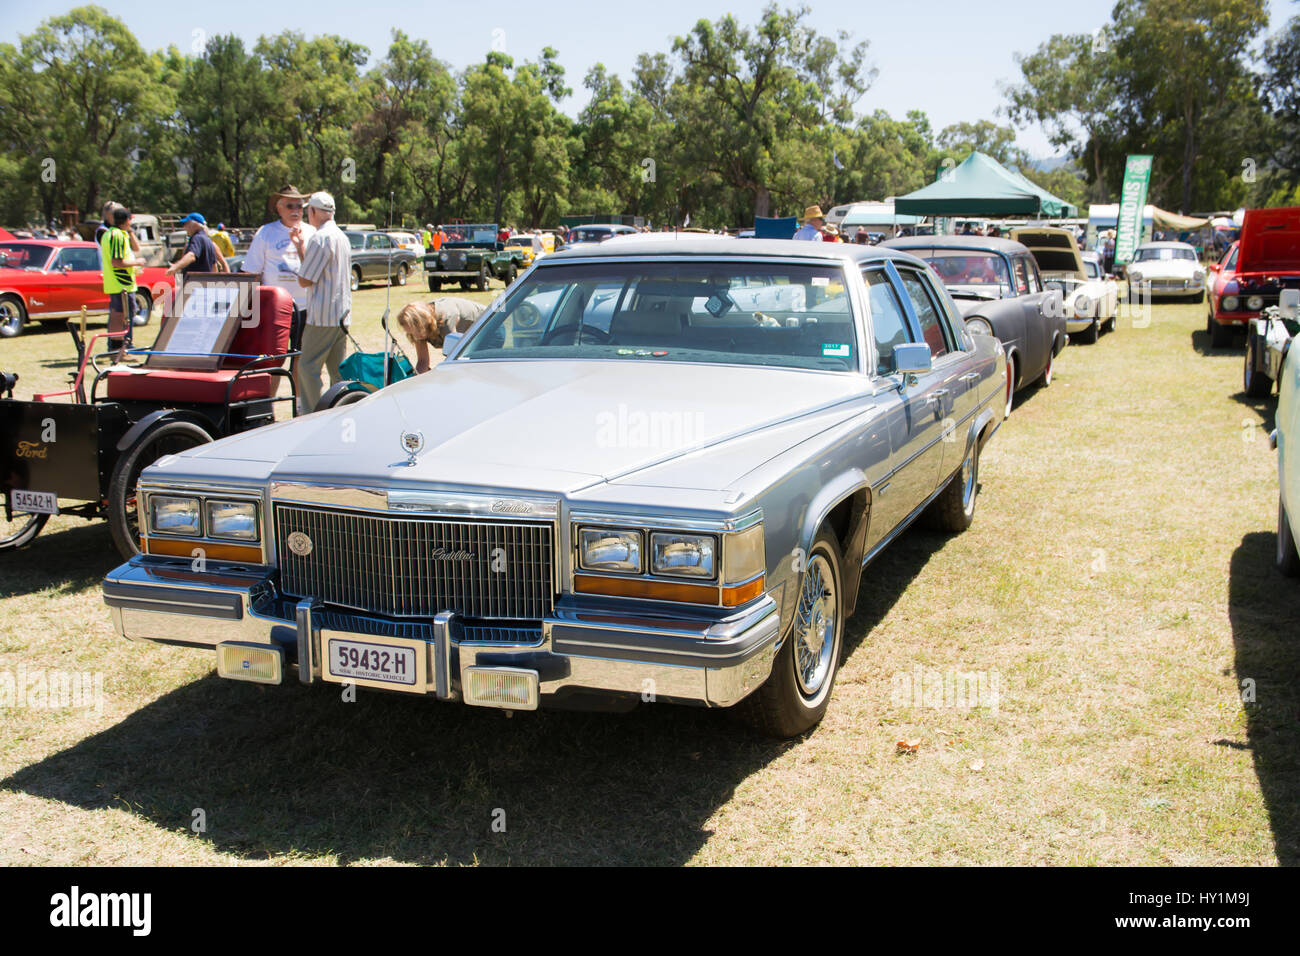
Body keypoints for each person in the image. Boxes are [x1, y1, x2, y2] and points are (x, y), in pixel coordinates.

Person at [291, 191, 352, 415]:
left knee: (307, 367)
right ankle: (342, 410)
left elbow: (306, 278)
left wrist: (301, 251)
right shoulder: (341, 237)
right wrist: (300, 248)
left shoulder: (320, 238)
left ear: (314, 211)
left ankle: (312, 413)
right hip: (341, 314)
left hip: (322, 315)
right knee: (338, 370)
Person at [243, 184, 315, 353]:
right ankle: (273, 381)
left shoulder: (312, 232)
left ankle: (297, 382)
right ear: (279, 207)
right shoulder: (266, 232)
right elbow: (252, 272)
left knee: (301, 356)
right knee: (273, 355)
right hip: (275, 307)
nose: (296, 210)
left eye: (299, 206)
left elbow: (315, 271)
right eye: (290, 206)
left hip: (306, 306)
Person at [395, 298, 486, 373]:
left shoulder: (446, 319)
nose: (415, 336)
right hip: (471, 341)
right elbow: (423, 361)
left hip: (489, 326)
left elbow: (455, 359)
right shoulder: (419, 330)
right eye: (411, 333)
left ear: (422, 323)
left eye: (416, 331)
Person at [100, 205, 143, 355]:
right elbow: (117, 262)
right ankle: (118, 349)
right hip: (121, 283)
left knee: (118, 314)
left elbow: (133, 249)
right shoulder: (117, 235)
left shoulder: (111, 234)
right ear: (126, 220)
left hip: (118, 283)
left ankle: (116, 347)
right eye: (130, 220)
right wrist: (138, 262)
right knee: (121, 316)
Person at [166, 212, 226, 277]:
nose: (184, 227)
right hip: (204, 283)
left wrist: (175, 267)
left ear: (194, 224)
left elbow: (191, 256)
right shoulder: (208, 241)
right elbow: (214, 266)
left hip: (194, 282)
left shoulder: (197, 238)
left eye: (185, 224)